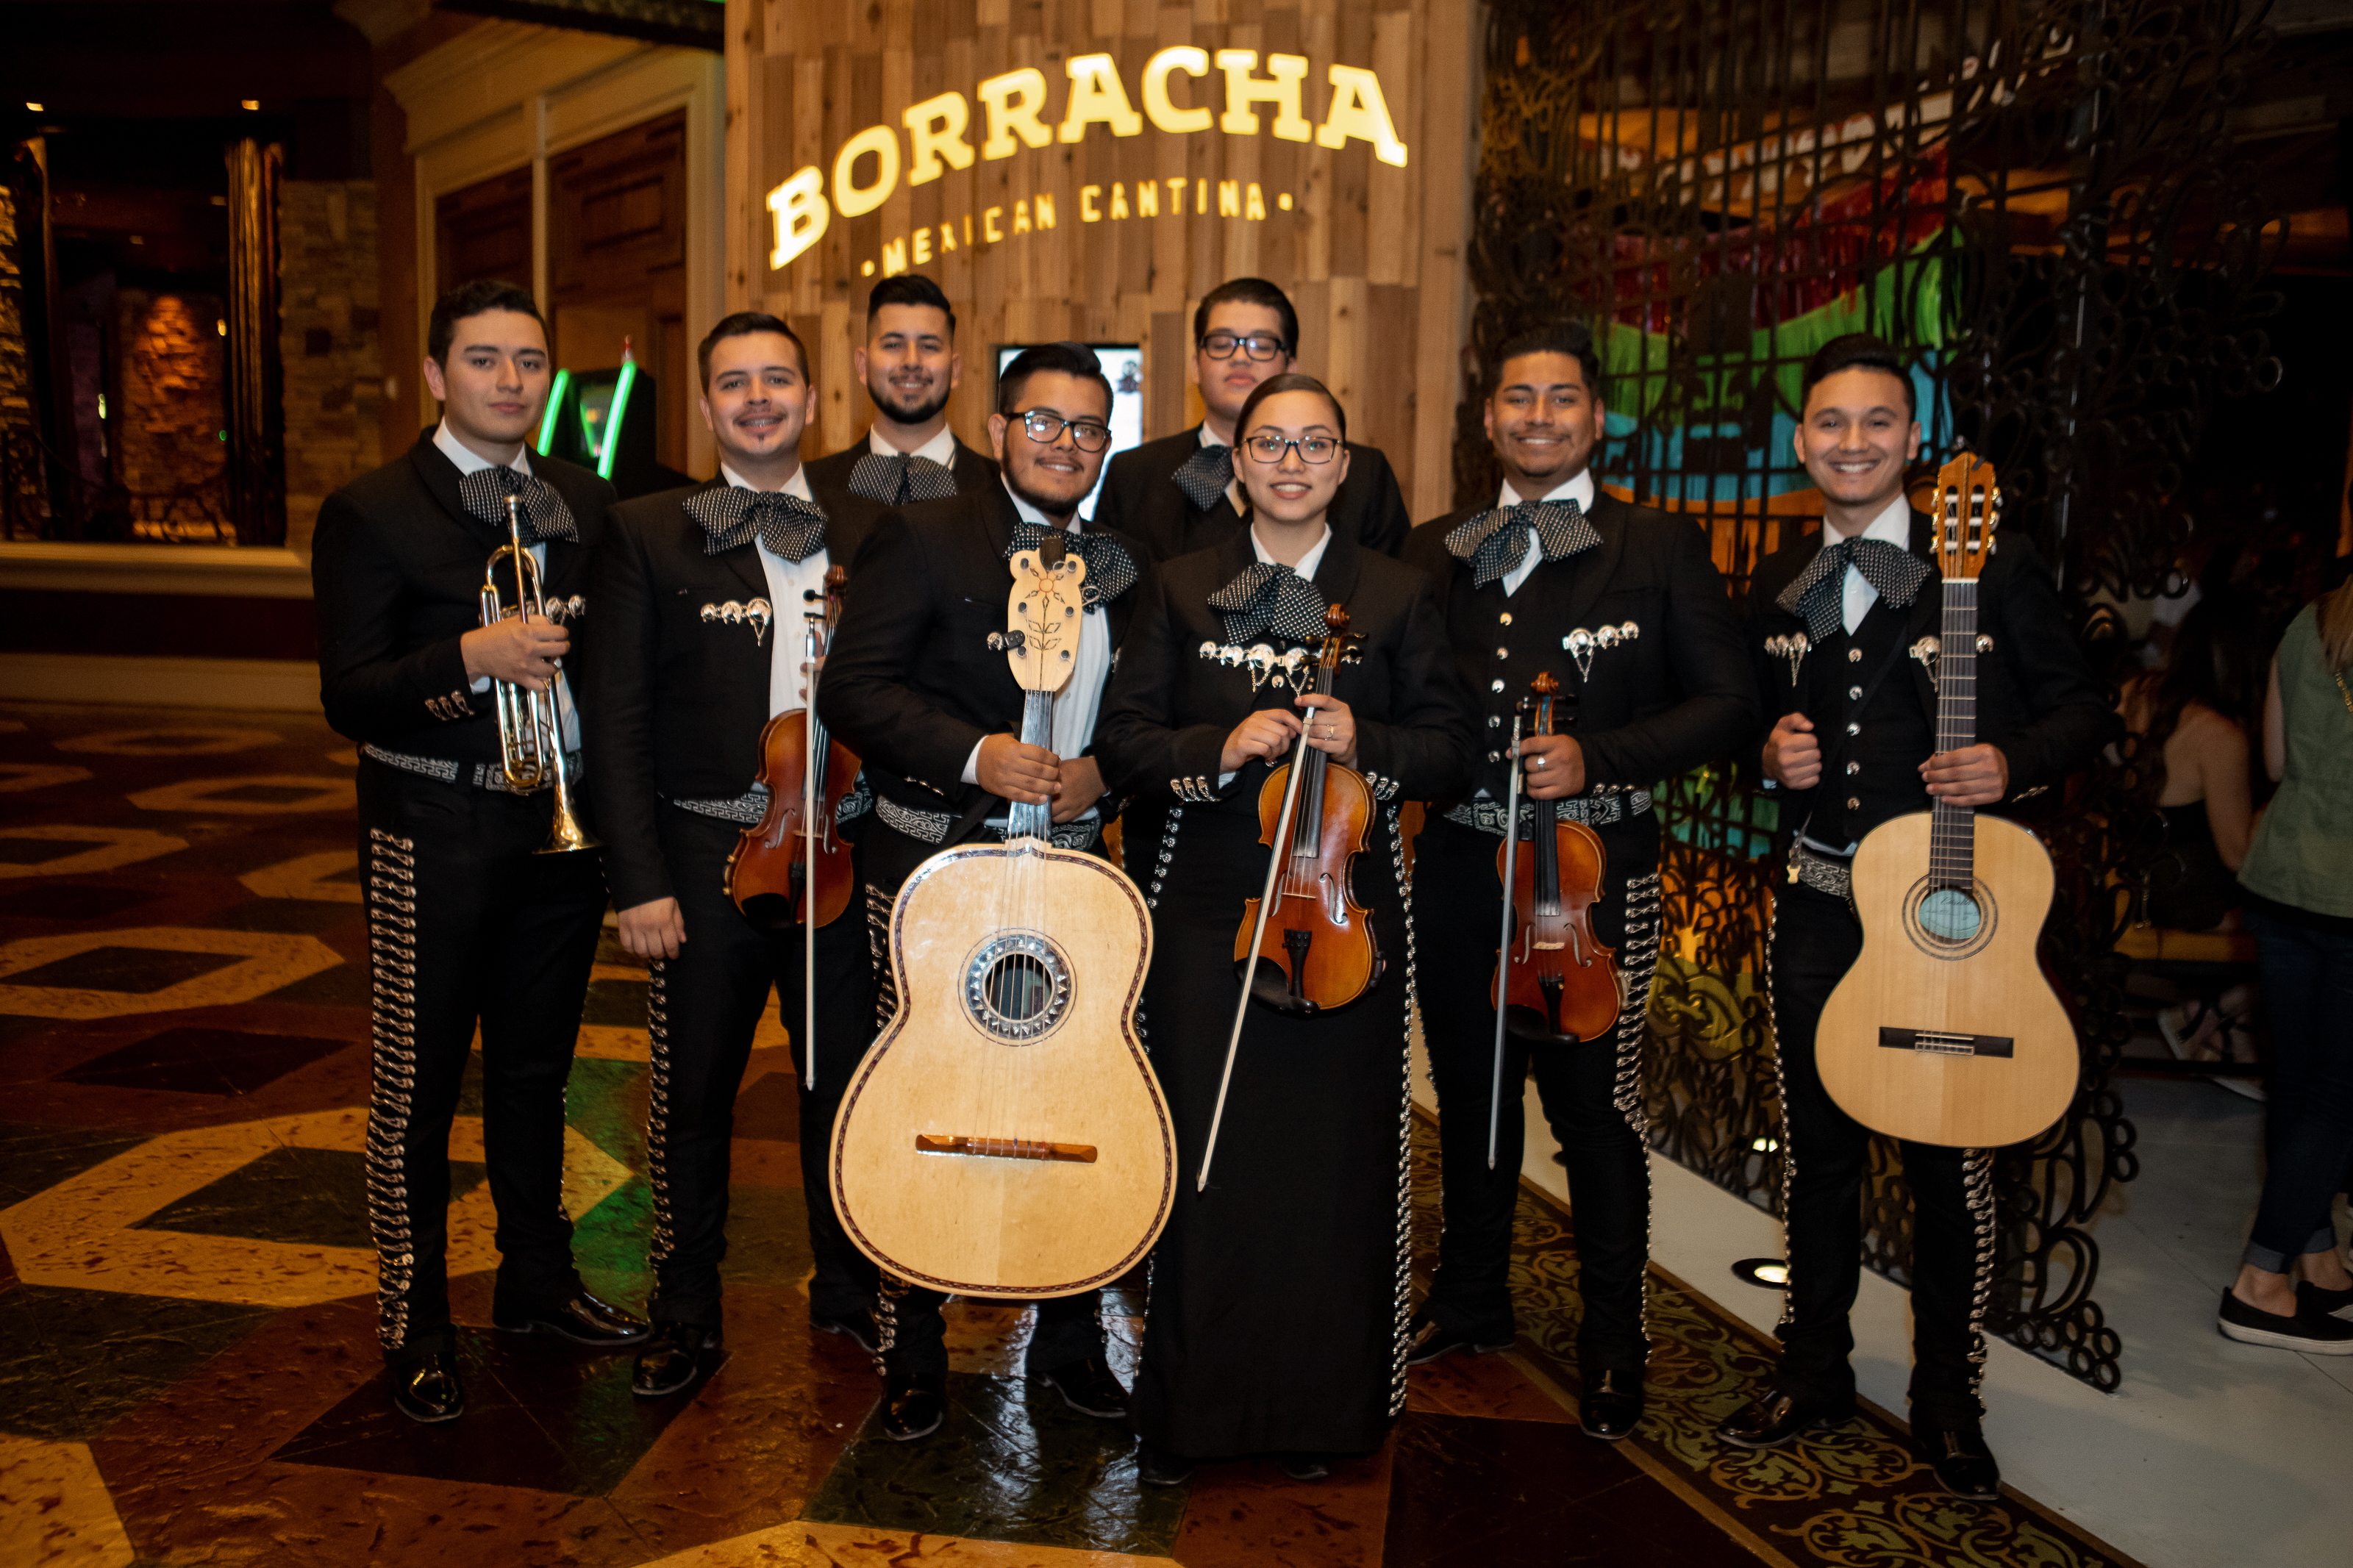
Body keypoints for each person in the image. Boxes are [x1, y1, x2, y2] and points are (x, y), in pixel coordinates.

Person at [1721, 334, 2118, 1497]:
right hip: (1819, 912)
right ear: (1802, 444)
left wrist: (2014, 763)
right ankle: (1813, 1369)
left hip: (1949, 923)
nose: (1853, 442)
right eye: (1831, 423)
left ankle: (1948, 1396)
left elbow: (2086, 709)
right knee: (1821, 1161)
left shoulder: (1988, 568)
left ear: (1912, 438)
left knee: (1949, 1164)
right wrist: (1765, 750)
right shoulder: (1779, 581)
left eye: (1877, 422)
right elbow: (1745, 711)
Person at [1095, 373, 1474, 1486]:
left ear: (1345, 466)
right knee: (1205, 1165)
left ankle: (1323, 1416)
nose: (1293, 461)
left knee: (1330, 1166)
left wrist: (1374, 737)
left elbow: (1455, 751)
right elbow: (1125, 741)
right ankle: (1192, 1415)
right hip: (1211, 905)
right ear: (1239, 463)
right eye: (1271, 443)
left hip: (1347, 908)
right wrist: (1217, 748)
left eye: (1316, 444)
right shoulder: (1180, 585)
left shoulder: (1398, 596)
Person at [1399, 323, 1757, 1439]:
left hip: (1594, 876)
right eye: (1518, 399)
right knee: (1471, 1095)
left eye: (1561, 400)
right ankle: (1472, 1298)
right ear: (1490, 418)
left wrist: (1599, 757)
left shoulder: (1655, 544)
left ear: (1596, 419)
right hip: (1458, 858)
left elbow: (1729, 702)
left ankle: (1615, 1340)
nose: (1538, 417)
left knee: (1595, 1113)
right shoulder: (1432, 549)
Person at [311, 279, 650, 1424]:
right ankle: (413, 1323)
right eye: (484, 360)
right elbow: (349, 695)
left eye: (528, 361)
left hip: (555, 829)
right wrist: (472, 654)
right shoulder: (373, 510)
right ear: (436, 375)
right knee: (416, 1088)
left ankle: (537, 1286)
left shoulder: (584, 497)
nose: (510, 380)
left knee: (535, 1074)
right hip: (431, 827)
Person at [818, 341, 1153, 1442]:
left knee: (1074, 1093)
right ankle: (911, 1346)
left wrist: (1110, 768)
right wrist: (974, 753)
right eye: (1044, 422)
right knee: (925, 1098)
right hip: (934, 872)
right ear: (1001, 426)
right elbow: (854, 689)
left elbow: (1144, 711)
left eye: (1089, 428)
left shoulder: (1127, 560)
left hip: (1076, 877)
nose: (1066, 443)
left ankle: (1067, 1340)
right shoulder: (919, 535)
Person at [580, 312, 885, 1398]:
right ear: (707, 407)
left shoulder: (871, 522)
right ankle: (685, 1304)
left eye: (778, 380)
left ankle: (851, 1292)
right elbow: (613, 717)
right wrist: (639, 878)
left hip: (843, 852)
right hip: (704, 851)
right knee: (692, 1092)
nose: (757, 398)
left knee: (842, 1083)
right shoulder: (648, 530)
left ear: (812, 400)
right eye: (733, 384)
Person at [2215, 576, 2353, 1353]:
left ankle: (2313, 1256)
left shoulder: (2309, 621)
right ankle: (2259, 1283)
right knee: (2337, 1098)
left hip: (2281, 878)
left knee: (2298, 1084)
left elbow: (2273, 759)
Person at [1090, 277, 1410, 561]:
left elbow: (1389, 597)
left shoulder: (1364, 475)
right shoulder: (1134, 475)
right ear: (1195, 367)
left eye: (1261, 345)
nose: (1240, 357)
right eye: (1221, 344)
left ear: (1291, 368)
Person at [2119, 598, 2259, 1061]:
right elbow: (2238, 854)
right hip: (2184, 898)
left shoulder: (2134, 693)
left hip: (2127, 883)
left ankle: (2220, 1033)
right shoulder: (2218, 735)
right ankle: (2210, 1011)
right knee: (2303, 930)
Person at [801, 274, 997, 505]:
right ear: (862, 365)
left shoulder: (1002, 490)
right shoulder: (807, 491)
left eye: (929, 346)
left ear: (954, 371)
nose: (912, 361)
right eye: (893, 345)